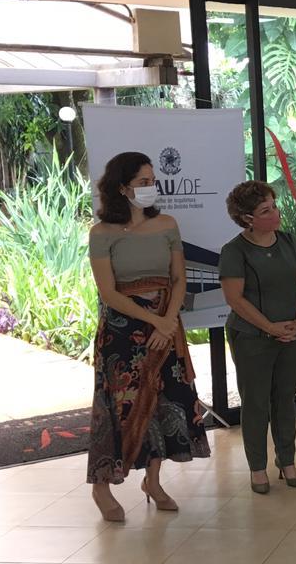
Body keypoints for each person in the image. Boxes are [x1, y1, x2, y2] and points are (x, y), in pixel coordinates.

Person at [86, 152, 210, 521]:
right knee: (119, 406)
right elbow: (108, 292)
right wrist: (153, 321)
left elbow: (179, 278)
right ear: (122, 188)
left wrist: (167, 321)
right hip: (123, 332)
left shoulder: (167, 224)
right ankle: (102, 487)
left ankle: (153, 482)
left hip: (165, 325)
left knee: (166, 400)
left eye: (152, 181)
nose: (150, 187)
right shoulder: (101, 233)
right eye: (143, 182)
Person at [218, 181, 296, 495]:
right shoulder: (234, 251)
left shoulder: (290, 242)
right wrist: (270, 328)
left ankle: (287, 461)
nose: (275, 214)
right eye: (265, 211)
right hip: (251, 337)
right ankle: (257, 468)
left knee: (285, 399)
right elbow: (235, 299)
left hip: (291, 334)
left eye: (274, 206)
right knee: (256, 402)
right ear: (247, 219)